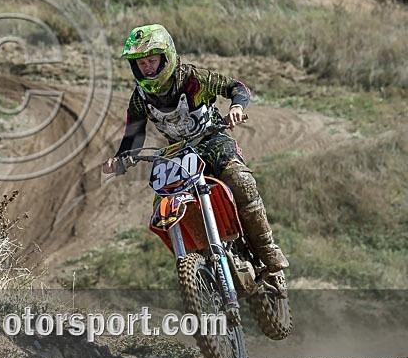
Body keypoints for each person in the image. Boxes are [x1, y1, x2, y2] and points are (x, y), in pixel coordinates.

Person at [102, 24, 289, 273]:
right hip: (177, 155)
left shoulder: (193, 80)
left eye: (151, 60)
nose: (146, 67)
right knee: (163, 206)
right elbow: (133, 135)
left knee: (240, 179)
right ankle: (201, 263)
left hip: (212, 140)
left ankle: (266, 247)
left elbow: (237, 87)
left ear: (166, 57)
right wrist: (120, 159)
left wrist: (236, 107)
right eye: (141, 63)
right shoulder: (139, 98)